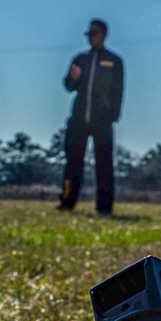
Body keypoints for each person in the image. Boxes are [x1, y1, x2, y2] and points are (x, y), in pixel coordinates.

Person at [58, 19, 125, 214]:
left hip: (102, 121)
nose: (90, 37)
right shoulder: (80, 59)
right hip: (78, 119)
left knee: (104, 164)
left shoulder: (114, 61)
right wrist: (73, 78)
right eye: (88, 34)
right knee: (72, 163)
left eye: (94, 33)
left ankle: (104, 206)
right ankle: (67, 201)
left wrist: (113, 115)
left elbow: (119, 90)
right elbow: (68, 86)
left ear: (104, 35)